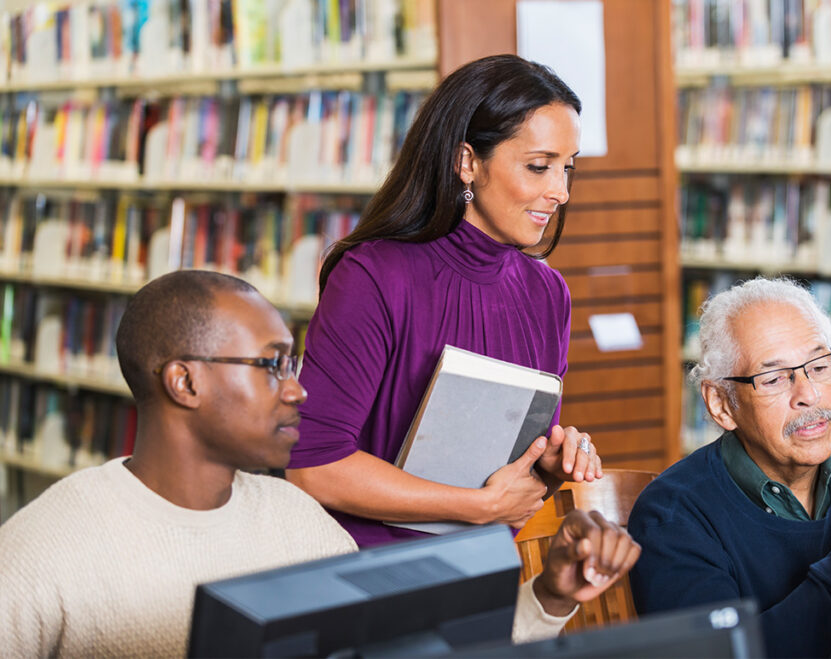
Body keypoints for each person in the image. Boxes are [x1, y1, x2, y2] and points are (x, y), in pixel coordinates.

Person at [0, 271, 640, 657]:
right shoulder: (44, 549)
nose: (299, 389)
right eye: (272, 364)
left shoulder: (299, 525)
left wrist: (552, 596)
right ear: (184, 383)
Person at [287, 54, 601, 547]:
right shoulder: (374, 276)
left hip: (487, 561)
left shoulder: (547, 293)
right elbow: (313, 466)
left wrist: (553, 460)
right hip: (371, 571)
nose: (560, 191)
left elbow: (513, 469)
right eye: (539, 167)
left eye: (568, 168)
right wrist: (476, 506)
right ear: (467, 162)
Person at [627, 277, 831, 658]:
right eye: (775, 378)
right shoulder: (672, 517)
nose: (809, 395)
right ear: (721, 404)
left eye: (819, 365)